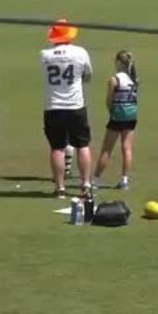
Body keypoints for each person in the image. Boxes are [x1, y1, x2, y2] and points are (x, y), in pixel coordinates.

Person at [40, 19, 94, 198]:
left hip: (53, 106)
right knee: (83, 145)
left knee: (57, 148)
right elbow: (88, 75)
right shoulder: (80, 53)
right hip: (75, 105)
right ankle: (85, 184)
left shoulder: (45, 55)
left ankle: (60, 187)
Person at [95, 50, 139, 190]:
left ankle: (96, 179)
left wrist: (112, 112)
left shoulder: (114, 79)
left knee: (107, 149)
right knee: (127, 148)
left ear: (119, 62)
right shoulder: (134, 79)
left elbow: (109, 100)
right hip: (131, 115)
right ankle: (124, 179)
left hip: (118, 115)